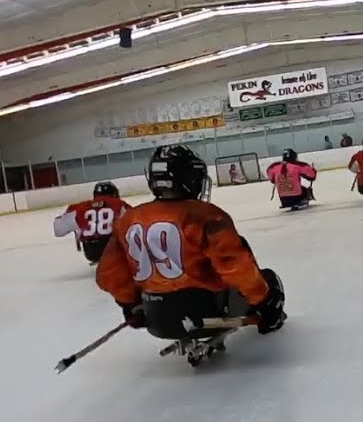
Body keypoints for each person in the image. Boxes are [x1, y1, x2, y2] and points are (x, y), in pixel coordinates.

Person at [97, 145, 286, 343]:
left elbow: (109, 274)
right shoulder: (205, 215)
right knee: (267, 279)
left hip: (157, 319)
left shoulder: (127, 220)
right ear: (189, 178)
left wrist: (130, 304)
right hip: (208, 313)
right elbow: (236, 266)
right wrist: (263, 300)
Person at [53, 181, 131, 264]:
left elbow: (58, 230)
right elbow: (134, 221)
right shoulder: (119, 204)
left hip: (91, 252)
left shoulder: (79, 207)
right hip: (114, 250)